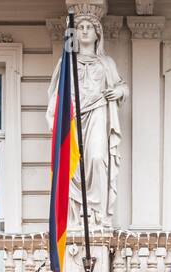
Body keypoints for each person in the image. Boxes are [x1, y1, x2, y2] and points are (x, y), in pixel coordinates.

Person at [46, 14, 128, 229]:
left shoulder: (106, 62)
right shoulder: (66, 61)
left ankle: (98, 215)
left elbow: (122, 86)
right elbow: (56, 92)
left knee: (98, 158)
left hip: (98, 111)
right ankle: (76, 216)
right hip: (73, 116)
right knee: (72, 165)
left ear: (97, 33)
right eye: (80, 27)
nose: (84, 31)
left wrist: (118, 91)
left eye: (88, 27)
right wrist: (56, 116)